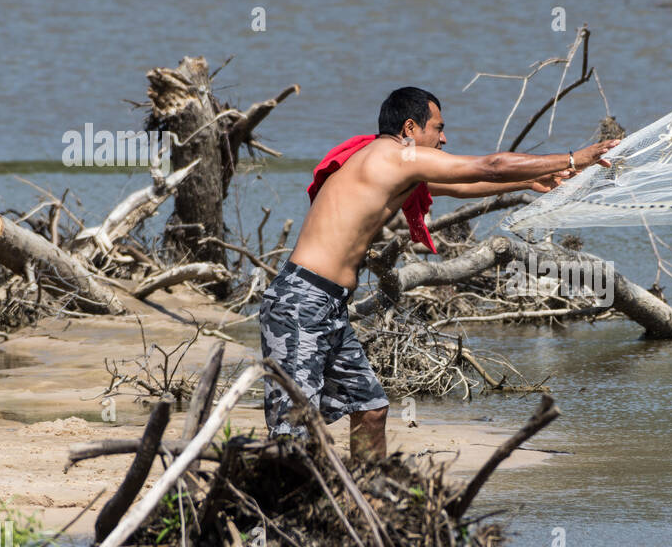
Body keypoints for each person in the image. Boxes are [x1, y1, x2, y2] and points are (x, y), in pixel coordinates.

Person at [260, 86, 618, 460]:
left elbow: (463, 184)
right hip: (300, 303)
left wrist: (528, 181)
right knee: (293, 431)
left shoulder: (393, 162)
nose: (444, 138)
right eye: (438, 128)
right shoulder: (392, 158)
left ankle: (368, 503)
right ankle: (275, 512)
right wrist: (575, 158)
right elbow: (489, 166)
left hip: (328, 305)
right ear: (411, 129)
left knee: (370, 408)